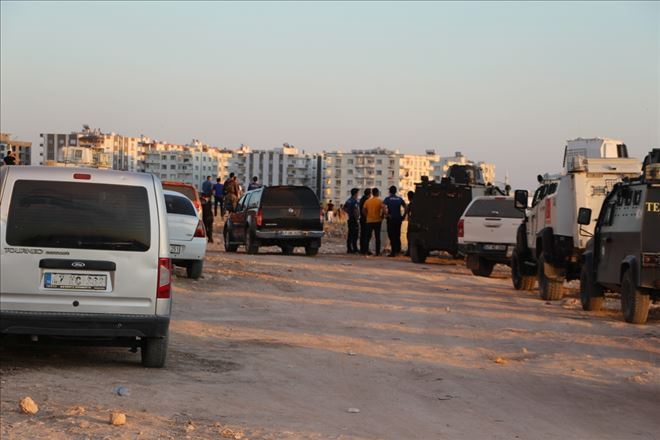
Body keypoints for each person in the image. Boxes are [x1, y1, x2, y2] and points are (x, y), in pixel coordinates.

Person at [383, 186, 407, 257]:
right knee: (397, 234)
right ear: (396, 191)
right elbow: (406, 207)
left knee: (391, 235)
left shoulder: (387, 199)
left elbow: (383, 207)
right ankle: (398, 250)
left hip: (391, 219)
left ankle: (393, 252)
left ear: (390, 192)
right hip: (398, 219)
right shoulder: (399, 199)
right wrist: (403, 216)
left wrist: (387, 214)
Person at [362, 188, 385, 256]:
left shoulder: (367, 201)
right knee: (377, 237)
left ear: (372, 193)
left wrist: (367, 216)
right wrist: (382, 216)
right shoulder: (380, 201)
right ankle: (377, 252)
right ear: (377, 193)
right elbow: (384, 210)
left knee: (367, 237)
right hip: (377, 221)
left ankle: (365, 251)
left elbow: (363, 210)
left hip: (369, 221)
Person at [343, 189, 360, 253]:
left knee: (350, 234)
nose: (358, 195)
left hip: (349, 218)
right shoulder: (354, 201)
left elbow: (344, 208)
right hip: (354, 219)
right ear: (355, 194)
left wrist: (349, 212)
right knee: (355, 234)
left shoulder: (348, 200)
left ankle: (349, 248)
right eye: (357, 193)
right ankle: (354, 248)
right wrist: (357, 219)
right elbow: (355, 211)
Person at [358, 188, 372, 254]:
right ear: (369, 194)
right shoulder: (367, 200)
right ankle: (365, 249)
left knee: (363, 234)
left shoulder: (362, 199)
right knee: (367, 235)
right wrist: (368, 217)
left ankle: (362, 249)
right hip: (366, 219)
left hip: (362, 219)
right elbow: (364, 210)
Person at [404, 191, 415, 256]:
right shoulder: (417, 203)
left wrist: (403, 217)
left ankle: (409, 251)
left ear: (409, 197)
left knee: (409, 236)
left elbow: (406, 212)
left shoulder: (410, 204)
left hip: (411, 223)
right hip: (417, 223)